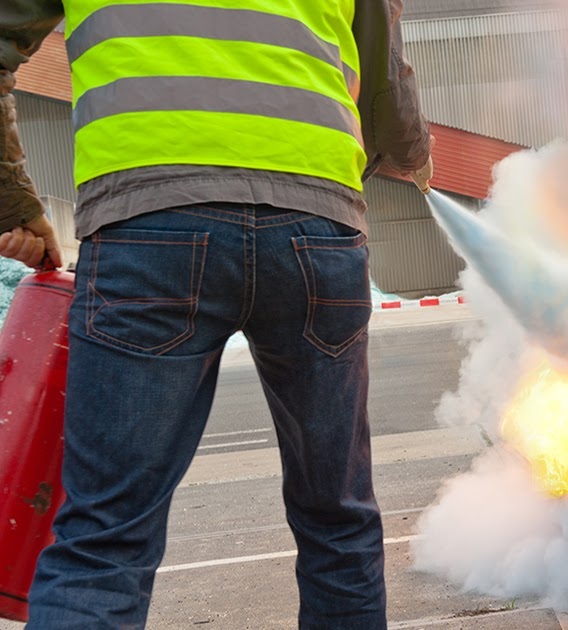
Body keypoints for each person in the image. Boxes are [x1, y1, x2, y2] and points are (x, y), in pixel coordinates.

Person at [0, 1, 433, 627]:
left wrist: (12, 201)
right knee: (338, 517)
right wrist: (413, 155)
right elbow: (387, 80)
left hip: (148, 223)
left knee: (106, 535)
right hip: (317, 228)